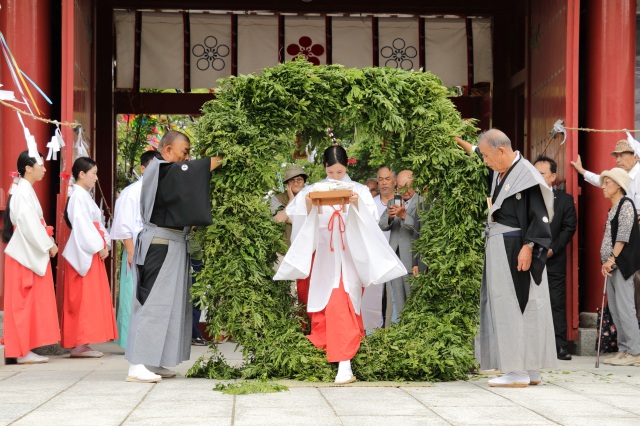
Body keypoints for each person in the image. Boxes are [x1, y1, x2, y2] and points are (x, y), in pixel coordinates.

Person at [274, 145, 406, 384]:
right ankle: (336, 357)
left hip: (349, 255)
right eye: (332, 172)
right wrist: (309, 206)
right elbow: (295, 219)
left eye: (340, 171)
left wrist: (355, 204)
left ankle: (344, 363)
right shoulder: (314, 189)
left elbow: (372, 221)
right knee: (325, 304)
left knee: (343, 302)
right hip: (324, 255)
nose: (336, 176)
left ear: (346, 167)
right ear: (324, 168)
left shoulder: (359, 190)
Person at [125, 130, 223, 383]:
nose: (188, 157)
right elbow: (198, 171)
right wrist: (222, 156)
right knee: (152, 303)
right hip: (160, 244)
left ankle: (154, 361)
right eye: (185, 151)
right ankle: (137, 365)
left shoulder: (168, 172)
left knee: (170, 305)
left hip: (173, 244)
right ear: (167, 150)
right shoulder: (159, 169)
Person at [462, 129, 556, 387]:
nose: (485, 161)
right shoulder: (501, 171)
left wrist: (529, 245)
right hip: (503, 243)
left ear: (501, 151)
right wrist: (467, 146)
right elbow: (482, 158)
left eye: (487, 156)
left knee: (516, 305)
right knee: (518, 305)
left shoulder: (526, 174)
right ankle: (531, 369)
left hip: (515, 246)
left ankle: (518, 371)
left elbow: (540, 213)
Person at [571, 139, 640, 328]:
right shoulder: (618, 180)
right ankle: (627, 346)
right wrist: (583, 171)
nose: (617, 159)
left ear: (635, 156)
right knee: (623, 301)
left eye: (622, 155)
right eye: (615, 155)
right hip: (622, 251)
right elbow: (601, 180)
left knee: (630, 299)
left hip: (632, 246)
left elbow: (624, 233)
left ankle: (634, 348)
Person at [1, 151, 60, 364]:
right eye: (41, 165)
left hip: (26, 251)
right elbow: (29, 225)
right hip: (24, 252)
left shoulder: (23, 190)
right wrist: (49, 245)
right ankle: (21, 350)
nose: (44, 169)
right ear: (28, 168)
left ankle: (24, 349)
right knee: (23, 302)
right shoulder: (22, 192)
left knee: (27, 301)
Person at [61, 157, 118, 358]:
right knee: (83, 299)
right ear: (81, 174)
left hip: (92, 249)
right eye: (93, 173)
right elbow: (83, 226)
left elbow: (95, 223)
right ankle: (79, 343)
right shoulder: (78, 196)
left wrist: (104, 242)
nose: (96, 177)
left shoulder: (82, 195)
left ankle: (82, 343)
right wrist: (98, 246)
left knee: (88, 298)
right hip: (86, 251)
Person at [111, 150, 162, 349]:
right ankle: (128, 340)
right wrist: (130, 250)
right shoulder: (131, 192)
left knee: (152, 296)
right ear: (143, 168)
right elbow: (123, 224)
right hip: (137, 246)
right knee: (132, 295)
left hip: (156, 247)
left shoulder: (159, 190)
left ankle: (148, 339)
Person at [533, 156, 577, 360]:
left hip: (554, 259)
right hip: (529, 257)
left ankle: (559, 345)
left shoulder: (565, 200)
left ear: (553, 176)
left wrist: (553, 249)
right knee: (529, 301)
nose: (536, 177)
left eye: (541, 174)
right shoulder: (526, 197)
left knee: (555, 301)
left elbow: (569, 228)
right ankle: (533, 346)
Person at [598, 168, 640, 366]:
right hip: (612, 265)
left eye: (607, 183)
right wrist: (606, 261)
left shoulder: (626, 205)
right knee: (615, 309)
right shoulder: (612, 208)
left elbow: (623, 236)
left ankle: (636, 352)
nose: (603, 187)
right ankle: (624, 350)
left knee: (625, 308)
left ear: (618, 185)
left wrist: (611, 259)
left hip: (622, 264)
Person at [379, 169, 425, 322]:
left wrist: (404, 216)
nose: (402, 191)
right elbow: (382, 225)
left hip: (412, 259)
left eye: (406, 187)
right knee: (397, 301)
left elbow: (422, 232)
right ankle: (401, 331)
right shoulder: (394, 201)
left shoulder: (423, 203)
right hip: (395, 258)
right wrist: (391, 217)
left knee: (413, 300)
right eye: (399, 187)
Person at [271, 165, 310, 304]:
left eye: (299, 179)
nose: (296, 182)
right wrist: (291, 202)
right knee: (286, 294)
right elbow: (277, 221)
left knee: (306, 293)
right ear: (287, 183)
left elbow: (309, 222)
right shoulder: (277, 199)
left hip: (306, 254)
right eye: (292, 180)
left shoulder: (310, 198)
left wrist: (289, 218)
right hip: (283, 253)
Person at [372, 166, 396, 327]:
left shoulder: (402, 202)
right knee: (376, 299)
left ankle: (395, 329)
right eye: (380, 179)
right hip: (376, 258)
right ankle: (374, 332)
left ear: (394, 181)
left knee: (395, 298)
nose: (384, 183)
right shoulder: (370, 204)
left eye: (387, 179)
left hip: (397, 257)